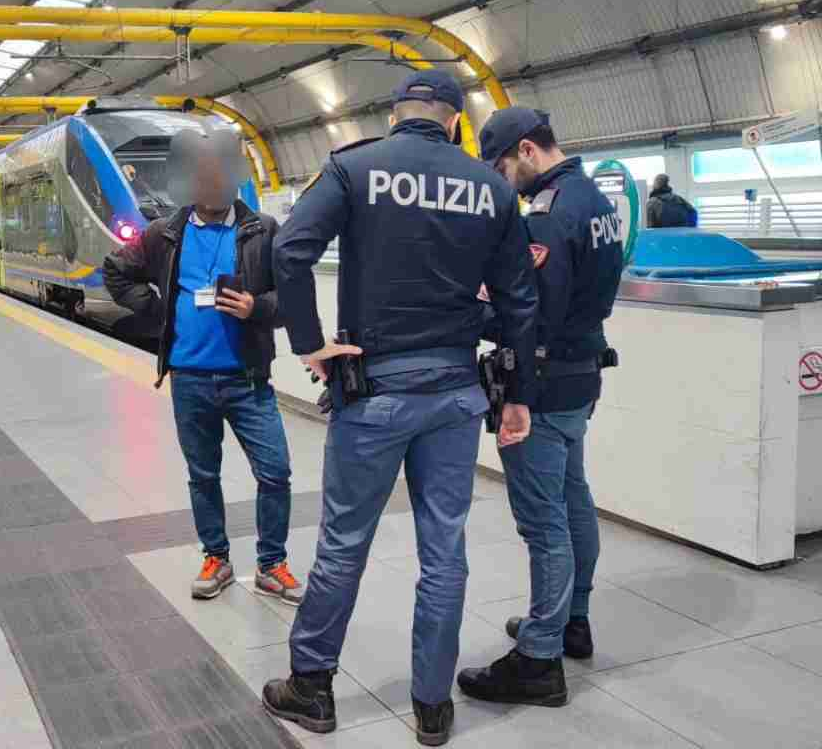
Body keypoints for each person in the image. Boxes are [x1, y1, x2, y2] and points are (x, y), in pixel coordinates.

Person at [261, 70, 539, 746]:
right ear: (454, 122)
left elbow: (289, 251)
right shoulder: (493, 188)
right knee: (445, 551)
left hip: (374, 392)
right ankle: (433, 707)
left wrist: (310, 343)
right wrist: (518, 395)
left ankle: (312, 688)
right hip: (453, 395)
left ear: (395, 115)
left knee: (345, 544)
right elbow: (520, 302)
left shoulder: (357, 168)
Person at [457, 108, 625, 709]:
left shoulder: (548, 218)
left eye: (504, 168)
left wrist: (472, 311)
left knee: (543, 521)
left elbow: (530, 321)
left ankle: (539, 658)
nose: (505, 182)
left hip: (544, 387)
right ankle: (571, 621)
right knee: (574, 499)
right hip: (582, 378)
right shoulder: (597, 202)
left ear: (527, 150)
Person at [102, 125, 304, 607]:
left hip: (248, 379)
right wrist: (155, 311)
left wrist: (256, 307)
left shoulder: (263, 231)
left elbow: (292, 299)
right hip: (190, 379)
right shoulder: (163, 234)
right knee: (203, 475)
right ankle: (217, 557)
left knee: (275, 472)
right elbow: (114, 270)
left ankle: (271, 564)